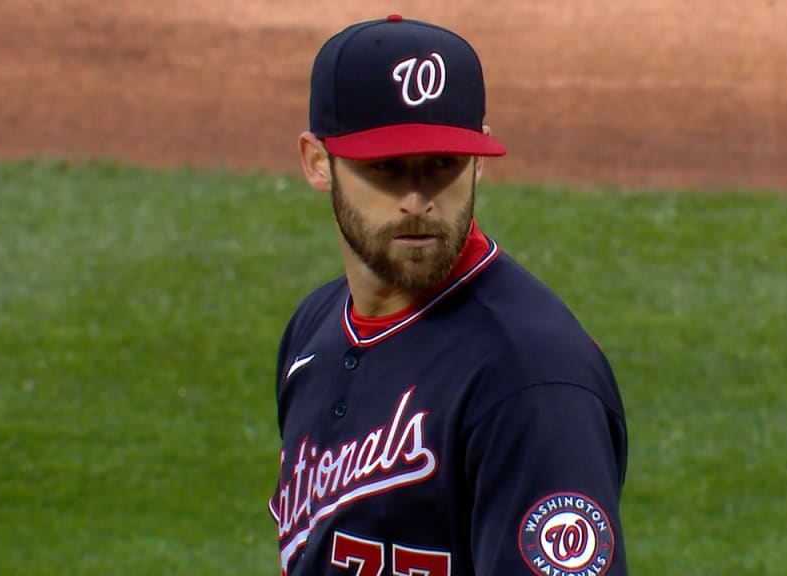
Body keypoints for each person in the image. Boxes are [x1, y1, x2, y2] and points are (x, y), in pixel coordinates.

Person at [269, 14, 628, 576]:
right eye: (385, 168)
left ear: (478, 159)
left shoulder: (529, 378)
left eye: (442, 165)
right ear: (319, 163)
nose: (416, 198)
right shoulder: (312, 331)